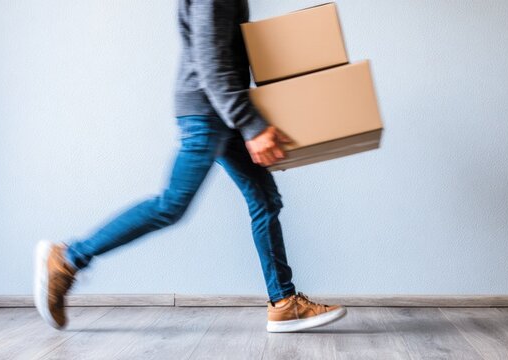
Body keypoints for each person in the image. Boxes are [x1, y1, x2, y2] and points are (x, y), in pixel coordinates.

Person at [33, 0, 347, 333]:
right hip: (208, 113)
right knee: (171, 205)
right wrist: (250, 124)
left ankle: (284, 303)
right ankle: (68, 259)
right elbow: (211, 63)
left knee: (265, 200)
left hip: (222, 111)